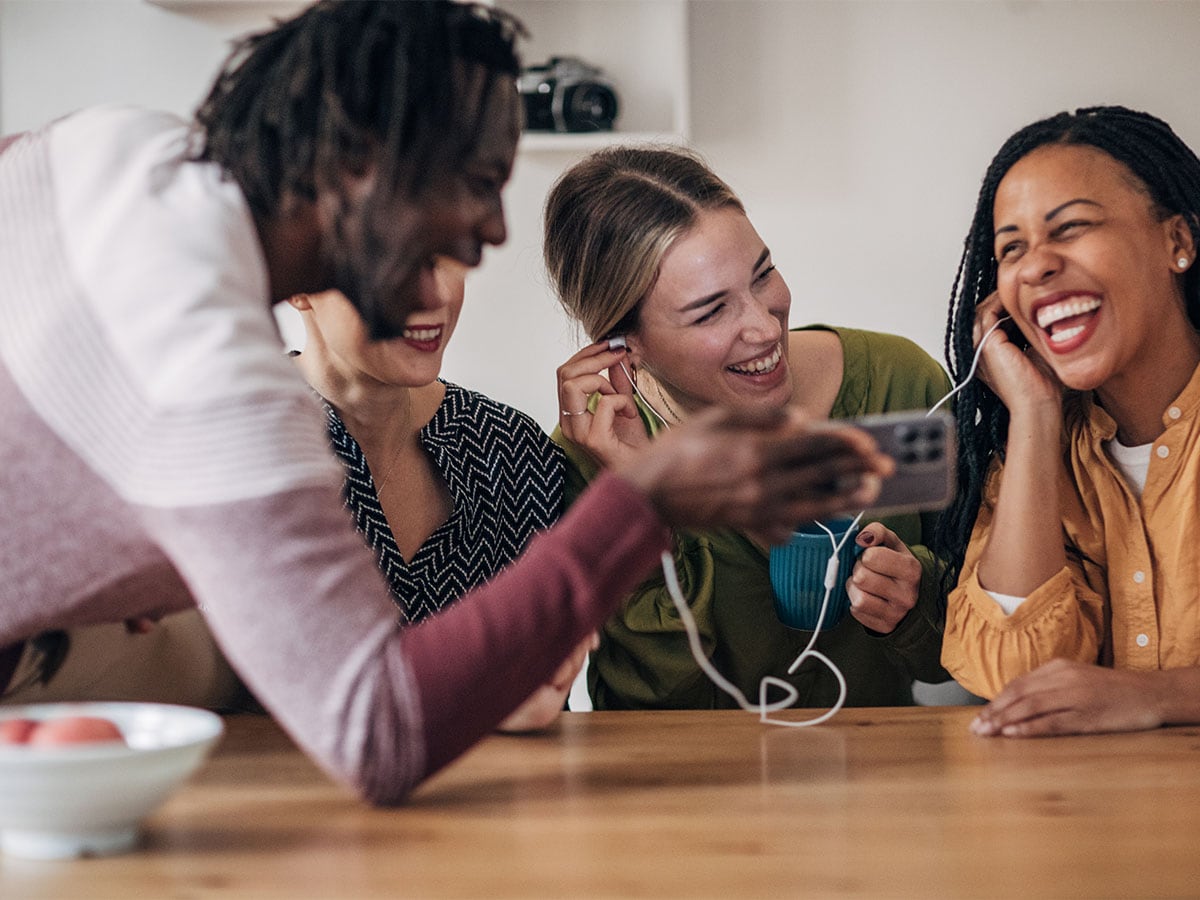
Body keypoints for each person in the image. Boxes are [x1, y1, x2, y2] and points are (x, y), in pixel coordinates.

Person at [0, 1, 893, 805]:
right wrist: (645, 502)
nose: (493, 232)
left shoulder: (109, 145)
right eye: (474, 183)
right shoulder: (229, 389)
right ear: (359, 165)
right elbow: (377, 736)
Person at [545, 145, 953, 711]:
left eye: (762, 275)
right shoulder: (594, 454)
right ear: (624, 345)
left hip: (880, 785)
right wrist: (642, 498)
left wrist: (915, 602)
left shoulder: (901, 387)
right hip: (690, 795)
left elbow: (977, 653)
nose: (764, 328)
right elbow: (650, 704)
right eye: (711, 311)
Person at [936, 105, 1200, 737]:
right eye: (1012, 248)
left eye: (1072, 227)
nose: (1035, 266)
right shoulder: (1044, 459)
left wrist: (1158, 695)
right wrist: (1033, 414)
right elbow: (1014, 677)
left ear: (1179, 241)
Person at [288, 259, 587, 731]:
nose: (435, 297)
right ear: (297, 282)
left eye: (448, 255)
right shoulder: (233, 452)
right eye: (391, 256)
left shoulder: (510, 450)